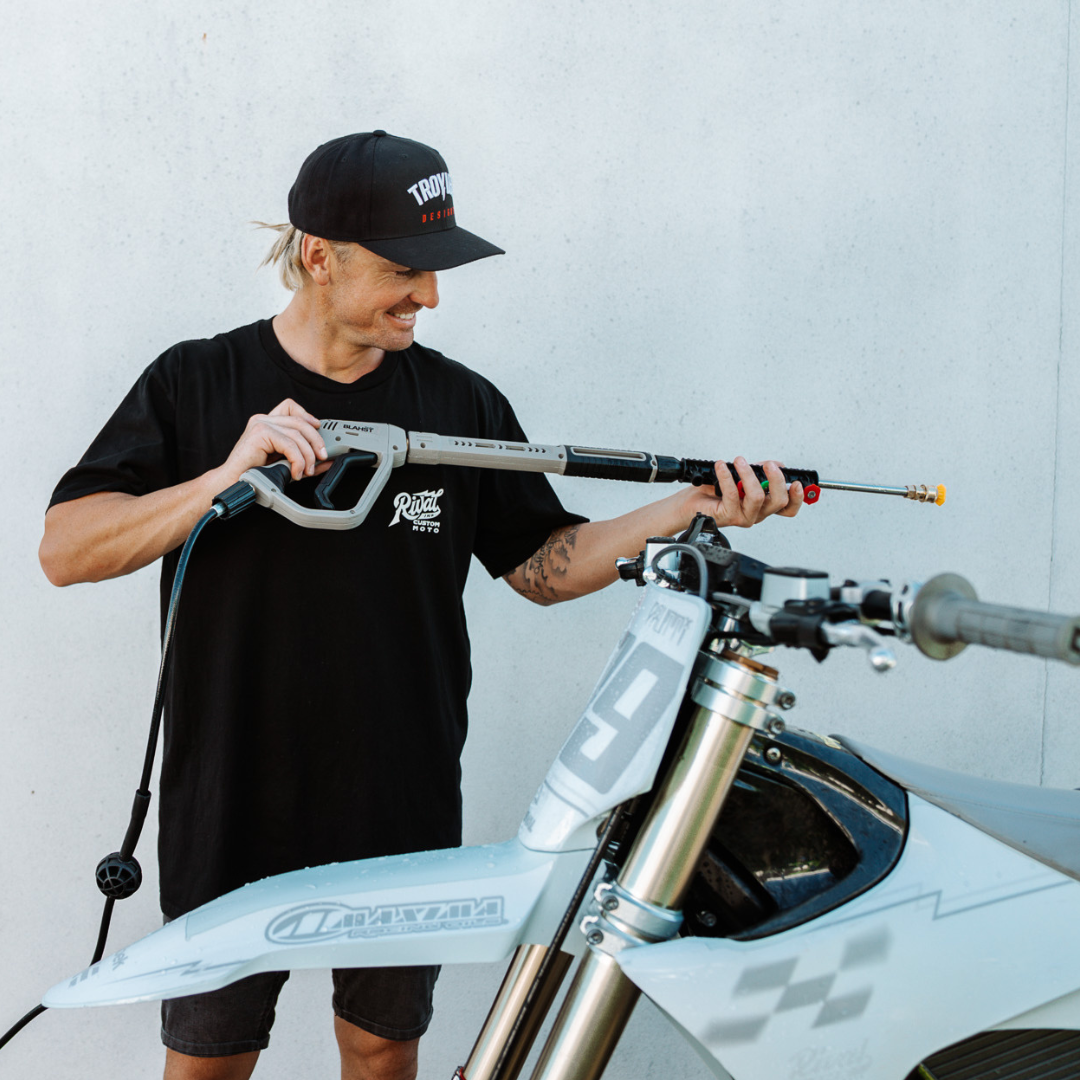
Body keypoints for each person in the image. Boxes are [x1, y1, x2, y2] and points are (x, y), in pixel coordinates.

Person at [38, 131, 803, 1080]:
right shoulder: (194, 381)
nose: (430, 296)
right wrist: (221, 479)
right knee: (211, 1061)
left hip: (397, 795)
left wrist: (687, 508)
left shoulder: (460, 404)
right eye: (405, 270)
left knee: (380, 1048)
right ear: (319, 256)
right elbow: (66, 550)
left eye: (436, 271)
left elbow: (542, 565)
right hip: (230, 793)